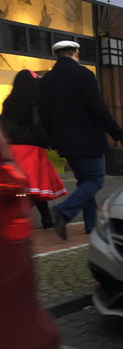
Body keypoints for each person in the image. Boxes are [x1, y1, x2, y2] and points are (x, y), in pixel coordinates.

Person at [38, 40, 123, 240]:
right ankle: (64, 211)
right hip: (87, 140)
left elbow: (43, 115)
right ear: (76, 53)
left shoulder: (46, 80)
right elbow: (99, 109)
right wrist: (119, 133)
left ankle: (90, 223)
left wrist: (52, 141)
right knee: (95, 180)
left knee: (84, 182)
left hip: (64, 143)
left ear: (57, 56)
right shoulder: (84, 75)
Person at [0, 69, 67, 229]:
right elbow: (37, 126)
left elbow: (4, 125)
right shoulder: (34, 101)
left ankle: (46, 218)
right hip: (32, 149)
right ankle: (38, 218)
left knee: (24, 186)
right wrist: (51, 143)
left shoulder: (7, 102)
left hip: (13, 148)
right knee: (36, 187)